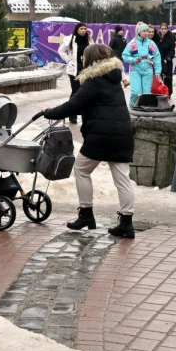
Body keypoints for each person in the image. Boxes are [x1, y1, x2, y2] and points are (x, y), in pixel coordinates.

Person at [40, 44, 136, 239]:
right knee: (122, 179)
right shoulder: (114, 78)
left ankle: (86, 214)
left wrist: (49, 113)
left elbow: (74, 105)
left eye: (84, 56)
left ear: (89, 59)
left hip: (102, 135)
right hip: (123, 133)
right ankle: (127, 223)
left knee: (81, 169)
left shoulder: (93, 80)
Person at [122, 22, 161, 107]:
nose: (147, 33)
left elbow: (157, 57)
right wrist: (133, 60)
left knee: (146, 94)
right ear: (139, 32)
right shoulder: (133, 43)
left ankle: (143, 110)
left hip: (148, 70)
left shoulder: (151, 43)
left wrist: (158, 71)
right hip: (135, 70)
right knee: (136, 92)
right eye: (144, 31)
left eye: (148, 31)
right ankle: (131, 108)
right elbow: (125, 55)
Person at [58, 23, 90, 123]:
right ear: (77, 30)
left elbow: (93, 50)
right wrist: (68, 60)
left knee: (86, 92)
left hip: (86, 69)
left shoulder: (88, 39)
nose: (84, 30)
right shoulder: (71, 39)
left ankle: (86, 114)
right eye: (81, 28)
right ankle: (72, 115)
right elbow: (61, 50)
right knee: (75, 92)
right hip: (74, 69)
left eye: (85, 28)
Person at [153, 23, 176, 96]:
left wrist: (167, 59)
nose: (163, 30)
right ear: (159, 29)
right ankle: (159, 91)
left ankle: (168, 93)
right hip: (159, 60)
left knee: (168, 77)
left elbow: (172, 51)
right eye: (162, 29)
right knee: (158, 77)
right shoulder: (158, 37)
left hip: (167, 61)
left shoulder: (170, 38)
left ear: (167, 29)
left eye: (165, 29)